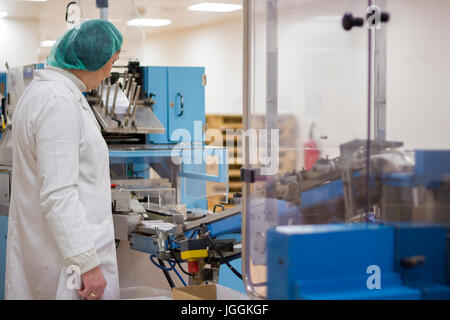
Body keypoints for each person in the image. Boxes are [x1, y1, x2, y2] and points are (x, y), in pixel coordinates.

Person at [5, 19, 123, 300]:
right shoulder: (58, 101)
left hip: (50, 251)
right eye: (110, 62)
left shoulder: (46, 93)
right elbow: (59, 194)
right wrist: (88, 264)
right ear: (89, 61)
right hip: (69, 264)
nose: (109, 73)